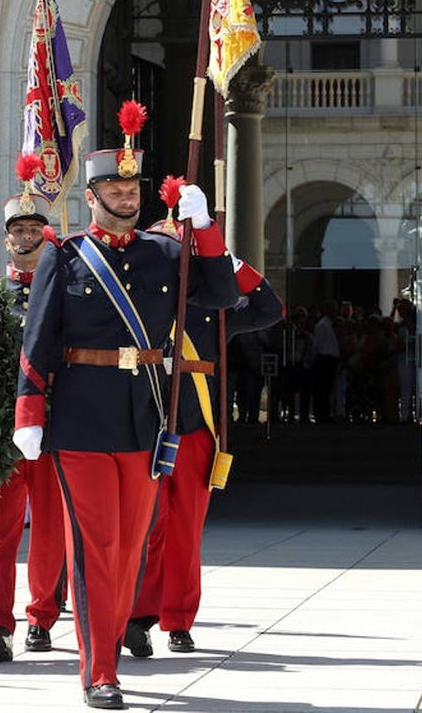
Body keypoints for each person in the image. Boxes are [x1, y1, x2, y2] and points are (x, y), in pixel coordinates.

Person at [13, 101, 238, 710]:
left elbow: (221, 295)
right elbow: (38, 338)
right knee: (93, 547)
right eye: (114, 186)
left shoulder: (164, 254)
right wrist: (29, 412)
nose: (127, 195)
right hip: (80, 419)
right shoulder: (63, 256)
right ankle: (100, 670)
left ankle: (105, 647)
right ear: (91, 195)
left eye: (132, 185)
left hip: (146, 416)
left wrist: (206, 229)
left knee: (128, 548)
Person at [126, 216, 283, 657]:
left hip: (196, 430)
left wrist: (232, 264)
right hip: (147, 427)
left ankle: (178, 620)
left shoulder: (211, 305)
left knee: (185, 530)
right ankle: (138, 614)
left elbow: (270, 309)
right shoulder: (138, 300)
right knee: (146, 528)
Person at [0, 168, 66, 662]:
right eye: (19, 231)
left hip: (53, 427)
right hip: (1, 433)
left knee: (50, 527)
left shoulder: (66, 295)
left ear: (45, 234)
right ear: (7, 239)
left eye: (35, 230)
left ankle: (42, 616)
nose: (27, 237)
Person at [311, 300, 340, 424]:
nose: (335, 312)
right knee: (322, 389)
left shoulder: (329, 324)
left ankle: (325, 414)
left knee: (327, 389)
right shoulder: (322, 325)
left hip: (329, 360)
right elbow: (317, 344)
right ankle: (321, 415)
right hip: (324, 360)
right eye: (333, 309)